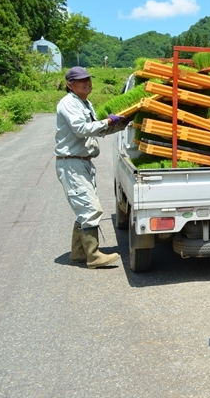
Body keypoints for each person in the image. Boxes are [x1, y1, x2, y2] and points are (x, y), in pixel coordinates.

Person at [55, 66, 129, 269]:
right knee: (90, 208)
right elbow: (81, 130)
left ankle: (78, 253)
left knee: (84, 208)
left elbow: (95, 131)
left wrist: (119, 124)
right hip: (71, 163)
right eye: (81, 80)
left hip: (82, 161)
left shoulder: (84, 103)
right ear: (70, 84)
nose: (87, 82)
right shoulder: (69, 103)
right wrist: (107, 121)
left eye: (88, 79)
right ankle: (93, 255)